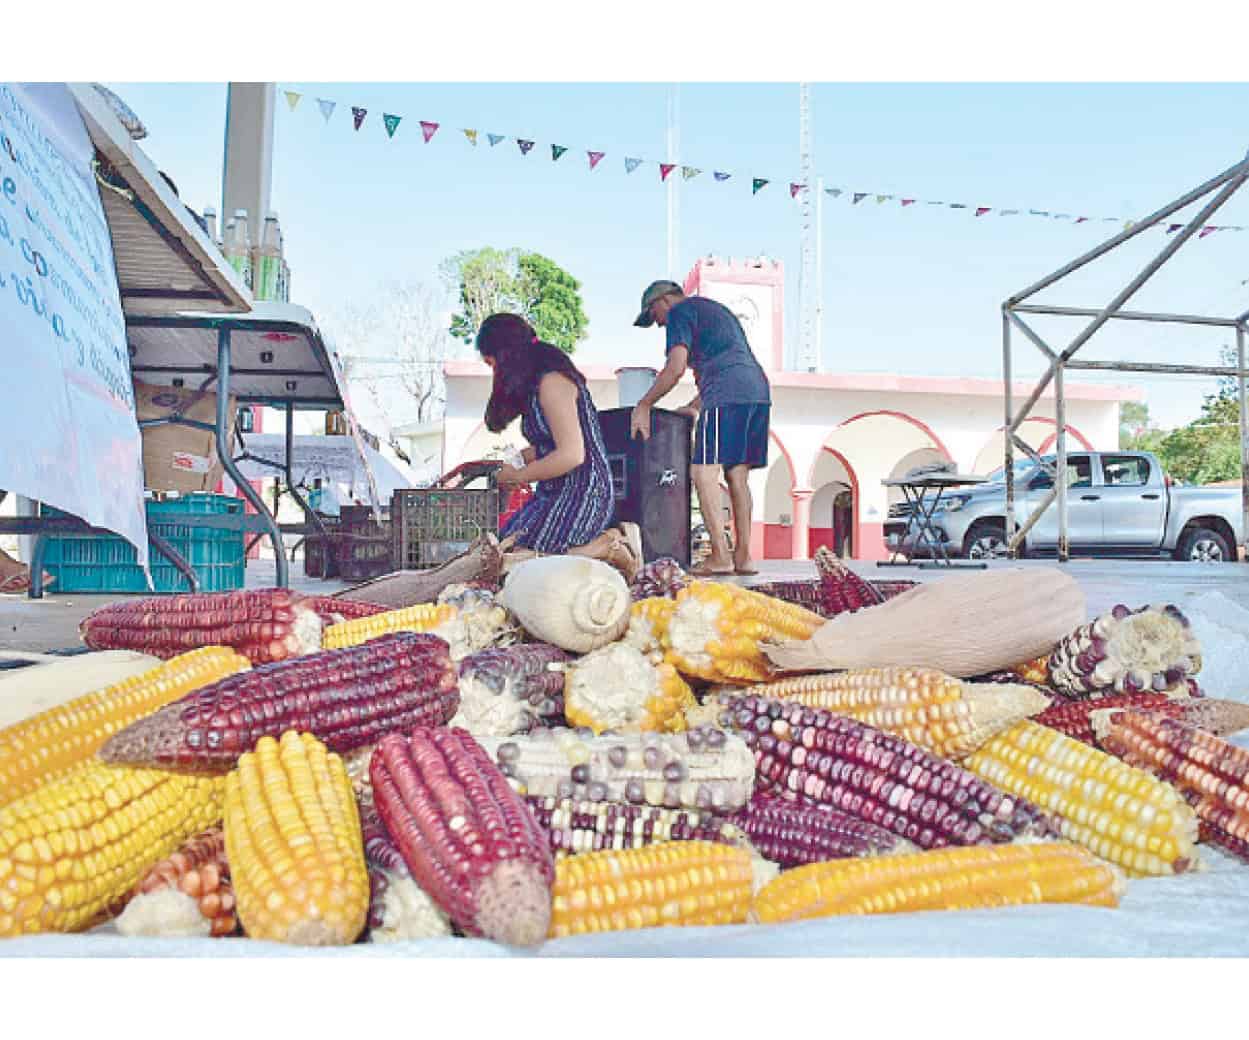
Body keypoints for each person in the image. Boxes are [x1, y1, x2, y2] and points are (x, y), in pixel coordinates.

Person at [476, 313, 641, 579]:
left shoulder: (553, 382)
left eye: (492, 363)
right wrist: (518, 460)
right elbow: (546, 444)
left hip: (584, 492)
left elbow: (571, 454)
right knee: (503, 551)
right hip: (551, 492)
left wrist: (518, 477)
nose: (494, 373)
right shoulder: (532, 389)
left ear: (505, 355)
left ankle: (609, 545)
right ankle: (594, 548)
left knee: (522, 566)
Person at [630, 280, 772, 576]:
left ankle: (720, 556)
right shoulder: (713, 310)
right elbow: (727, 363)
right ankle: (743, 558)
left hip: (727, 393)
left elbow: (676, 367)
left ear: (665, 300)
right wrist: (694, 407)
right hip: (756, 391)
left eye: (653, 313)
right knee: (736, 475)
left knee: (703, 472)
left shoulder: (681, 312)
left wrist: (643, 405)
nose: (657, 323)